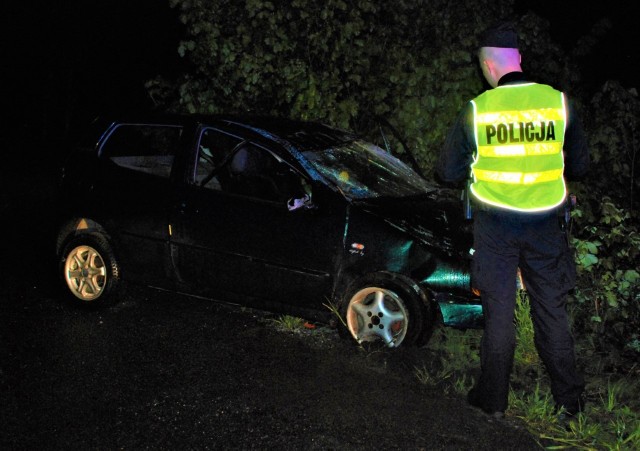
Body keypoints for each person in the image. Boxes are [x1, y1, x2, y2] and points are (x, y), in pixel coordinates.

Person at [436, 22, 589, 419]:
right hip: (545, 223)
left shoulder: (478, 110)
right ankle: (569, 404)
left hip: (496, 227)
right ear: (518, 59)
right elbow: (583, 162)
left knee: (499, 313)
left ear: (488, 66)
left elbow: (447, 171)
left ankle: (493, 403)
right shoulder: (557, 102)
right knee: (551, 311)